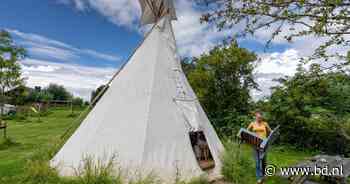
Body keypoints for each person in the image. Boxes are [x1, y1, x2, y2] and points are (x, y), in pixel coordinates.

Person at [247, 110, 272, 184]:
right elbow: (246, 132)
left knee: (263, 161)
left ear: (262, 117)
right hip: (255, 145)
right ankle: (259, 178)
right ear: (255, 117)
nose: (259, 118)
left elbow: (271, 132)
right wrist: (249, 139)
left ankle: (264, 175)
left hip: (263, 145)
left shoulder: (265, 124)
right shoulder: (252, 124)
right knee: (257, 162)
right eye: (258, 117)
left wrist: (268, 140)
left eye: (260, 117)